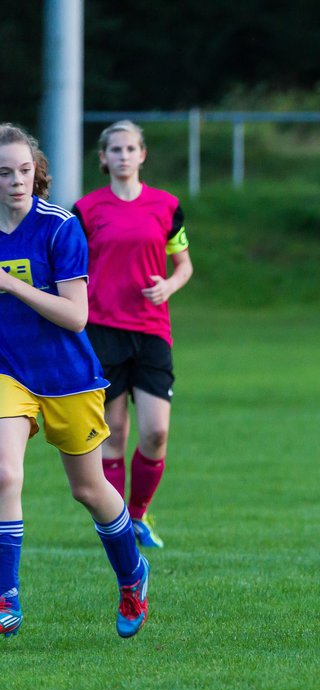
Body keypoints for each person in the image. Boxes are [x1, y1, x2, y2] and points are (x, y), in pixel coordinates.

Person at [0, 123, 151, 638]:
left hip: (68, 376)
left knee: (89, 490)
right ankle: (6, 596)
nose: (16, 181)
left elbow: (76, 316)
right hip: (8, 373)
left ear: (36, 172)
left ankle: (132, 577)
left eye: (24, 170)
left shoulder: (60, 227)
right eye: (4, 173)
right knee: (4, 473)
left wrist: (10, 286)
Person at [74, 120, 193, 548]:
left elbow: (184, 266)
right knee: (115, 433)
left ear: (143, 155)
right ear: (103, 159)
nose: (123, 156)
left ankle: (139, 515)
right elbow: (71, 268)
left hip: (151, 331)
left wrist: (168, 286)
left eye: (130, 149)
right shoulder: (85, 211)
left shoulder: (165, 205)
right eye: (115, 150)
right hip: (101, 330)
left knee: (156, 432)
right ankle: (118, 521)